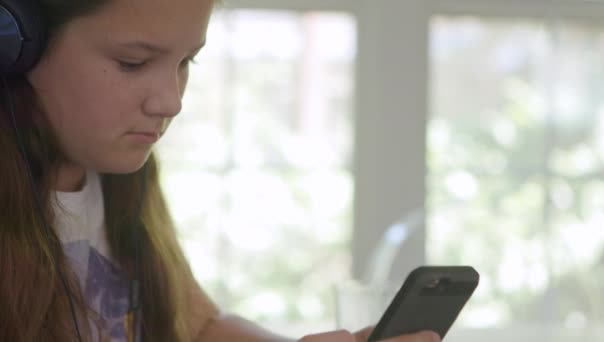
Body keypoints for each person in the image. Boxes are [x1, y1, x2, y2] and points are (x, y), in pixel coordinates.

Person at [0, 0, 441, 341]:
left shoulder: (122, 180)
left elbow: (198, 326)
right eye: (133, 63)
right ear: (16, 46)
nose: (171, 102)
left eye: (185, 62)